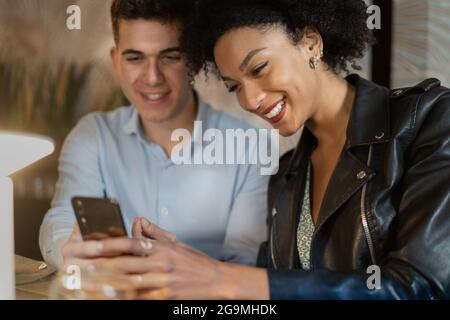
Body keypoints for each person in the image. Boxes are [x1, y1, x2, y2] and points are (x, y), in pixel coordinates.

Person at [64, 0, 450, 299]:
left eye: (260, 68)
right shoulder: (287, 175)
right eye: (233, 86)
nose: (249, 99)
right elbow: (271, 288)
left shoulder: (428, 122)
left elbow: (418, 287)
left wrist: (220, 279)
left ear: (311, 42)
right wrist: (187, 263)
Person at [39, 0, 270, 270]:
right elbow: (61, 220)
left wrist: (179, 264)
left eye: (170, 57)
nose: (152, 78)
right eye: (135, 58)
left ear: (193, 61)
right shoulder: (93, 136)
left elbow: (246, 268)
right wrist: (71, 251)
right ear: (116, 61)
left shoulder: (250, 147)